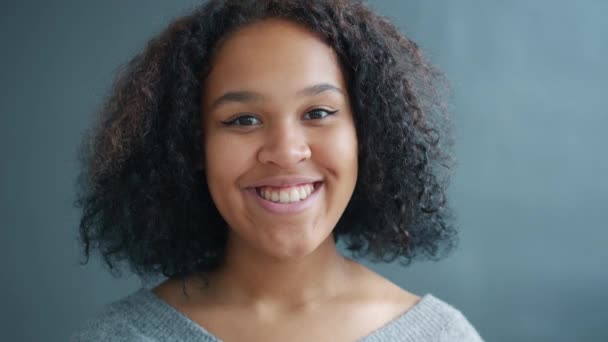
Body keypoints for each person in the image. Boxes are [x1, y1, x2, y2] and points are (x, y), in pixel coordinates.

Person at [72, 0, 483, 341]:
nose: (286, 152)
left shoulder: (443, 336)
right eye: (243, 120)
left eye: (318, 112)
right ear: (192, 145)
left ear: (366, 134)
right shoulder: (118, 336)